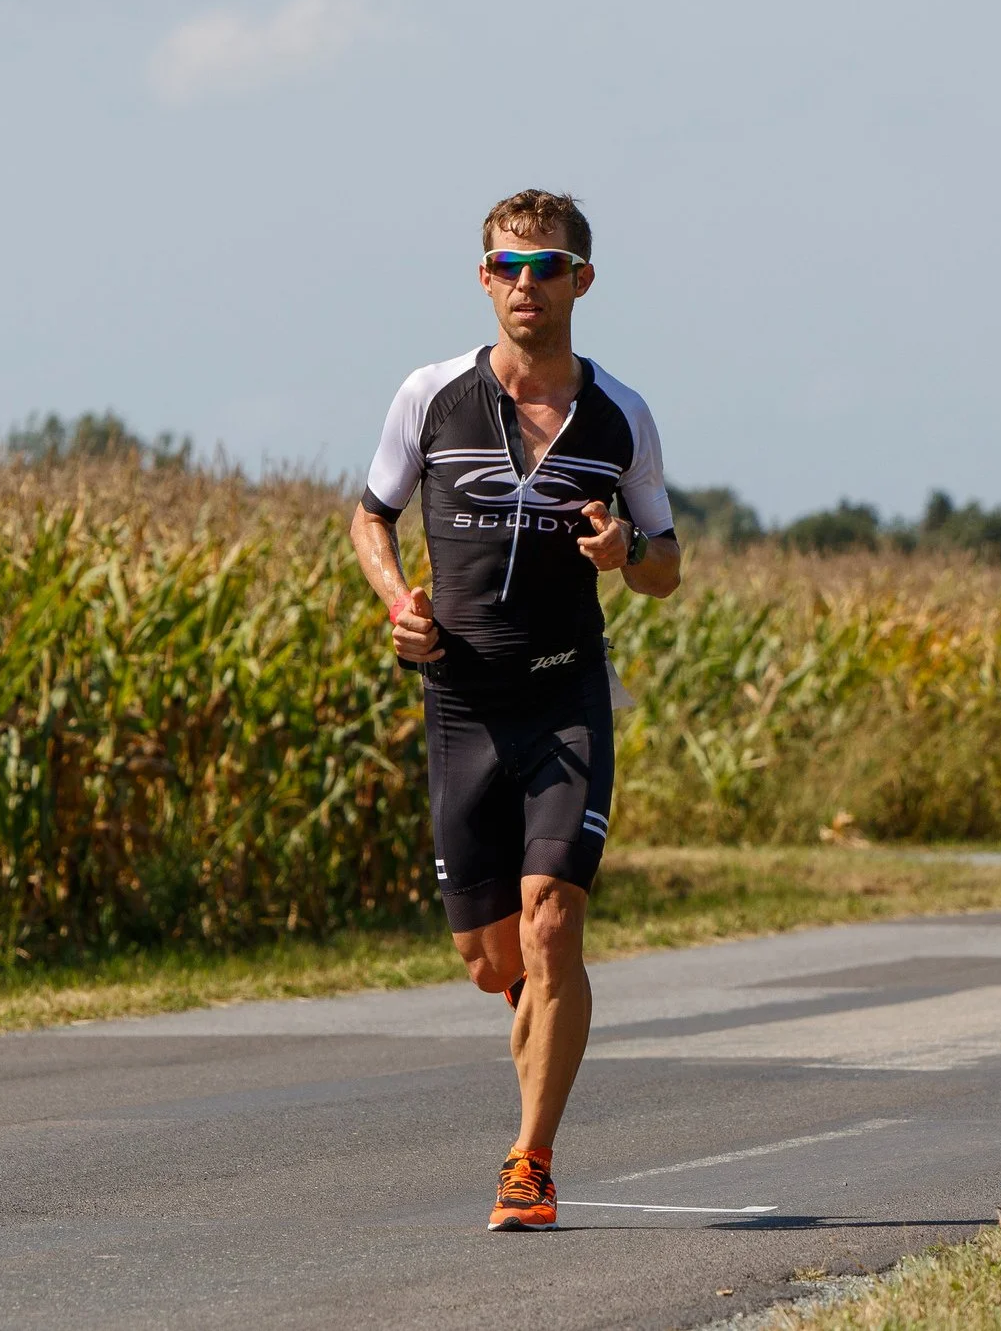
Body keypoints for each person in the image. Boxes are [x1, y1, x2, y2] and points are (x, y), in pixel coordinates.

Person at [349, 189, 682, 1231]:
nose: (523, 284)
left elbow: (665, 566)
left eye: (544, 267)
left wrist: (625, 553)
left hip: (565, 695)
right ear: (483, 278)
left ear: (580, 281)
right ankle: (532, 1004)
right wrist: (399, 602)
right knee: (495, 960)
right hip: (461, 704)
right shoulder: (429, 395)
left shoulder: (618, 413)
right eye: (506, 266)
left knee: (552, 922)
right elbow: (370, 518)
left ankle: (529, 1163)